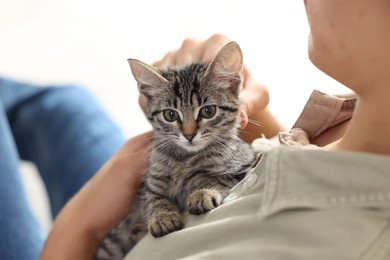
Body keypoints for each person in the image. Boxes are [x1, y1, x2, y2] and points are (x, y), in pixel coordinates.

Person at [36, 0, 390, 259]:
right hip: (136, 183)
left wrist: (80, 222)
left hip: (85, 238)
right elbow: (280, 169)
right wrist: (254, 112)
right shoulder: (357, 121)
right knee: (64, 105)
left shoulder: (342, 241)